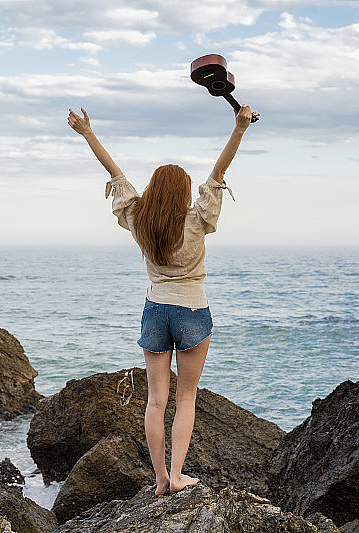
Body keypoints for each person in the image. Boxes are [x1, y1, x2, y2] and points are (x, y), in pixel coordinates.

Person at [67, 104, 253, 495]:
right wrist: (239, 129)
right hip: (192, 309)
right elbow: (219, 174)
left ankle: (159, 480)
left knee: (155, 400)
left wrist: (87, 132)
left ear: (154, 190)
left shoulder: (140, 219)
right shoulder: (197, 219)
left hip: (155, 310)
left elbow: (114, 174)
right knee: (186, 397)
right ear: (183, 192)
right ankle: (178, 474)